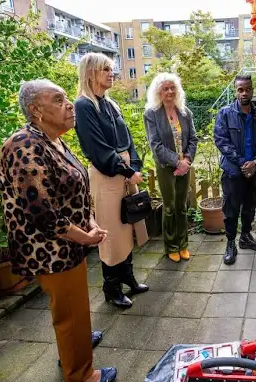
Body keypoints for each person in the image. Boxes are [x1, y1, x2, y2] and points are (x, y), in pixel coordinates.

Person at [0, 79, 116, 382]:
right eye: (58, 99)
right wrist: (82, 236)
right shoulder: (26, 147)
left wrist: (89, 220)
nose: (69, 105)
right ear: (37, 110)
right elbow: (39, 211)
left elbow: (74, 188)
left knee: (71, 307)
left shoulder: (51, 139)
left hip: (70, 242)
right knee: (71, 311)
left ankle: (74, 344)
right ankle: (79, 374)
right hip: (51, 250)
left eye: (66, 98)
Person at [74, 53, 149, 309]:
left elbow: (128, 140)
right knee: (110, 232)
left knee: (128, 227)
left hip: (125, 173)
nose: (111, 73)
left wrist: (135, 166)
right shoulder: (83, 106)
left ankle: (128, 278)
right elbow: (98, 149)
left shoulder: (110, 103)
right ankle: (111, 288)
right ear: (91, 72)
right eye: (105, 69)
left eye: (111, 69)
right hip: (107, 176)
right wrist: (128, 171)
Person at [214, 74, 256, 265]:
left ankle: (245, 237)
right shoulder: (225, 113)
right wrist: (241, 163)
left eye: (247, 89)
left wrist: (255, 162)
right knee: (230, 210)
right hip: (233, 172)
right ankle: (231, 243)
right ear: (235, 91)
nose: (244, 93)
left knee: (249, 208)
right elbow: (221, 141)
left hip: (253, 172)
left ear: (252, 89)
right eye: (240, 89)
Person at [143, 73, 198, 263]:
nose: (169, 91)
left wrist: (187, 159)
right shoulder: (151, 114)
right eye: (165, 88)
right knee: (169, 207)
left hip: (185, 165)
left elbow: (193, 139)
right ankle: (171, 246)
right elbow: (155, 144)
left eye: (172, 88)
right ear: (158, 91)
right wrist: (177, 161)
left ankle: (183, 244)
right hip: (166, 166)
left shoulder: (185, 112)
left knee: (182, 206)